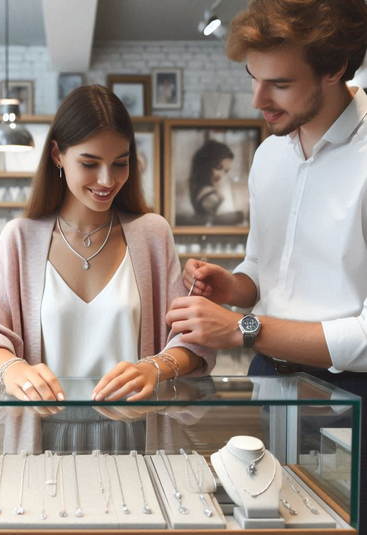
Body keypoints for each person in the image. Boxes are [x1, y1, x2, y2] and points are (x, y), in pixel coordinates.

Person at [166, 0, 367, 530]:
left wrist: (244, 328)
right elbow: (263, 270)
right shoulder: (270, 155)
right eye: (253, 78)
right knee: (271, 518)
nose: (257, 99)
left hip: (351, 400)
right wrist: (231, 285)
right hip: (272, 385)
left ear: (334, 67)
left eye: (278, 83)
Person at [0, 85, 215, 408]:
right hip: (45, 438)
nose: (107, 180)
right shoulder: (19, 239)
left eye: (120, 163)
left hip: (134, 434)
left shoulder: (152, 234)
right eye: (90, 164)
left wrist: (154, 367)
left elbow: (191, 342)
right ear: (57, 155)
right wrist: (13, 369)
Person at [178, 139, 243, 226]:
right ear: (207, 164)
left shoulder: (217, 187)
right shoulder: (207, 194)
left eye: (226, 171)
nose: (221, 175)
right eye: (218, 167)